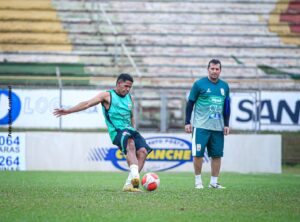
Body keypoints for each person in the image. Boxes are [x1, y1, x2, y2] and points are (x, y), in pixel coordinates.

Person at [53, 73, 152, 192]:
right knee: (130, 144)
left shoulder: (130, 98)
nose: (127, 89)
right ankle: (135, 178)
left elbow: (131, 116)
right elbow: (87, 104)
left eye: (130, 87)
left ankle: (129, 185)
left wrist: (134, 128)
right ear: (119, 83)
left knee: (143, 151)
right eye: (126, 86)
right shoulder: (107, 95)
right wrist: (69, 111)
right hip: (117, 131)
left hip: (130, 130)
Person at [185, 59, 230, 189]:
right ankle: (198, 182)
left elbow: (227, 106)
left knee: (217, 155)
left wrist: (226, 124)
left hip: (218, 127)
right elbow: (190, 103)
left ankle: (214, 182)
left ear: (220, 70)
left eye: (217, 69)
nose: (214, 71)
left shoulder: (225, 86)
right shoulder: (199, 84)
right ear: (208, 69)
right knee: (198, 154)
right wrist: (187, 122)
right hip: (201, 126)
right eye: (212, 69)